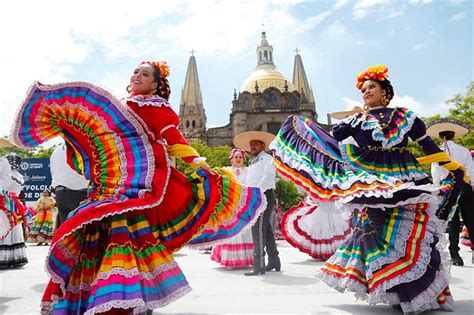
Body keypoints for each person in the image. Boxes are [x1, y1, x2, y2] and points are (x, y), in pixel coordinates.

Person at [10, 61, 267, 314]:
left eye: (144, 74)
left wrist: (198, 163)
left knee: (128, 240)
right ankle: (100, 300)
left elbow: (173, 139)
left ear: (155, 84)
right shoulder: (119, 106)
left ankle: (130, 304)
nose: (137, 76)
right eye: (135, 71)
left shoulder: (154, 107)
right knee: (95, 237)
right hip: (109, 187)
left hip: (140, 187)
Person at [270, 65, 465, 314]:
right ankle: (398, 291)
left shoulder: (406, 117)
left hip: (406, 180)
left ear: (386, 91)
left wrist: (454, 166)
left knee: (416, 234)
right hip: (371, 182)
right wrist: (303, 129)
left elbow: (427, 147)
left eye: (371, 87)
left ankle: (420, 290)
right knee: (378, 233)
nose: (366, 92)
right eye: (363, 90)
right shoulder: (356, 121)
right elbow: (330, 142)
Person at [428, 118, 473, 266]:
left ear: (441, 137)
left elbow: (436, 173)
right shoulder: (464, 150)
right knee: (471, 219)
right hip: (464, 186)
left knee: (452, 222)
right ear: (453, 135)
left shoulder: (437, 152)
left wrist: (438, 190)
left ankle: (455, 255)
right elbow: (471, 171)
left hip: (447, 188)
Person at [234, 131, 280, 276]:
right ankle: (274, 261)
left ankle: (258, 264)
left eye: (256, 144)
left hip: (263, 194)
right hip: (256, 195)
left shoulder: (266, 158)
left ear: (263, 145)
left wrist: (258, 193)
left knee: (257, 229)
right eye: (251, 144)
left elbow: (268, 176)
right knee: (265, 229)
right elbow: (250, 179)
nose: (253, 146)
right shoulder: (253, 160)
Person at [211, 148, 254, 268]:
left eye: (240, 157)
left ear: (244, 159)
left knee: (244, 229)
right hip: (230, 205)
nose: (238, 159)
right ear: (232, 159)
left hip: (245, 204)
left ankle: (245, 259)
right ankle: (229, 259)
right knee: (230, 229)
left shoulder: (249, 171)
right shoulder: (226, 170)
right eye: (236, 157)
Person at [281, 196, 351, 260]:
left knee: (326, 227)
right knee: (326, 227)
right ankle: (330, 251)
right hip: (325, 205)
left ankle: (330, 251)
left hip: (329, 205)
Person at [50, 143, 89, 228]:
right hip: (79, 193)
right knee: (81, 229)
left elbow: (53, 174)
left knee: (66, 229)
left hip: (60, 194)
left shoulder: (56, 151)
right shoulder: (82, 147)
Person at [0, 153, 28, 269]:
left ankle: (3, 259)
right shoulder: (19, 176)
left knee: (5, 230)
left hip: (5, 203)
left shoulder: (7, 176)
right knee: (14, 232)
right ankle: (13, 258)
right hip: (15, 205)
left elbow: (3, 188)